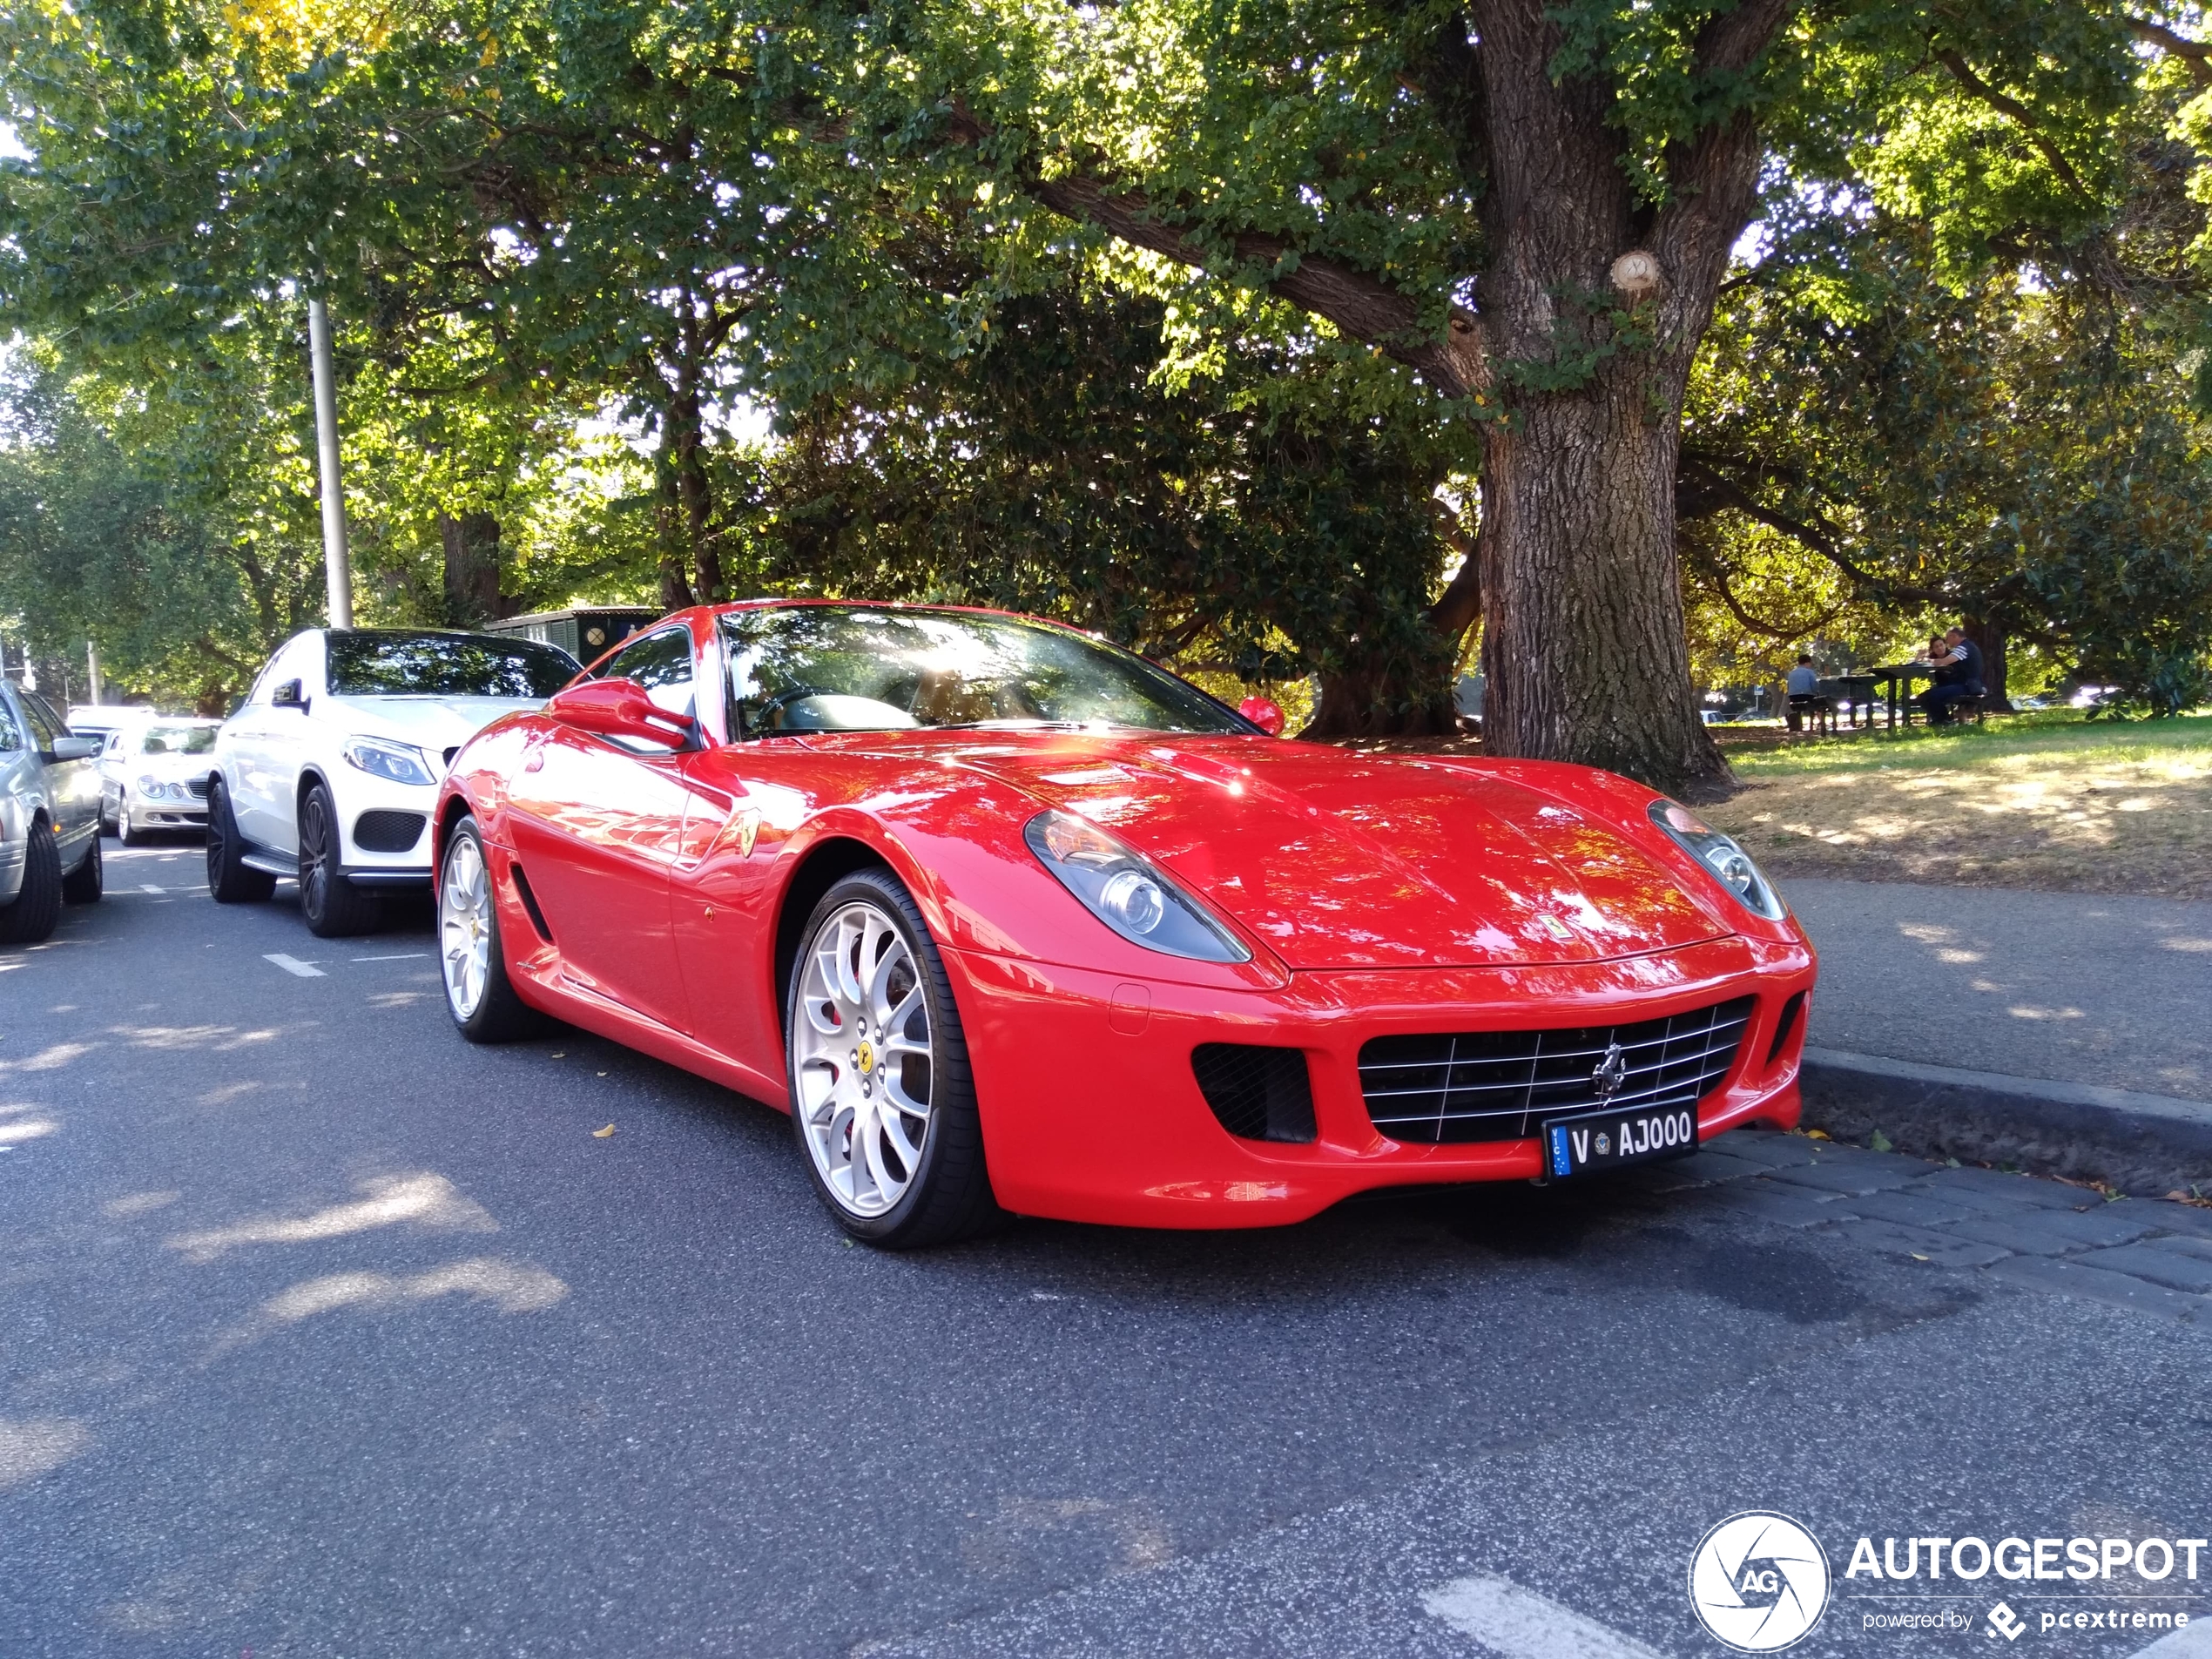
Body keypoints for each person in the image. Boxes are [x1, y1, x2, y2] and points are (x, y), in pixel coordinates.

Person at [1919, 626, 1985, 725]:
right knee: (1925, 696)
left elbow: (1943, 662)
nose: (1947, 641)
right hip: (1968, 685)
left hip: (1969, 686)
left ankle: (1945, 721)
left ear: (1954, 636)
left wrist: (1925, 660)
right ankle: (1943, 720)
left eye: (1947, 638)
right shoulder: (1968, 646)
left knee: (1930, 696)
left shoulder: (1963, 648)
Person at [1784, 654, 1825, 734]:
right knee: (1819, 702)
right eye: (1810, 663)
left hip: (1793, 698)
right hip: (1806, 697)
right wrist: (1817, 692)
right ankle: (1821, 722)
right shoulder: (1809, 672)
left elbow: (1789, 686)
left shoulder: (1791, 673)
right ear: (1807, 663)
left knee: (1802, 704)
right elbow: (1814, 685)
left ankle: (1798, 725)